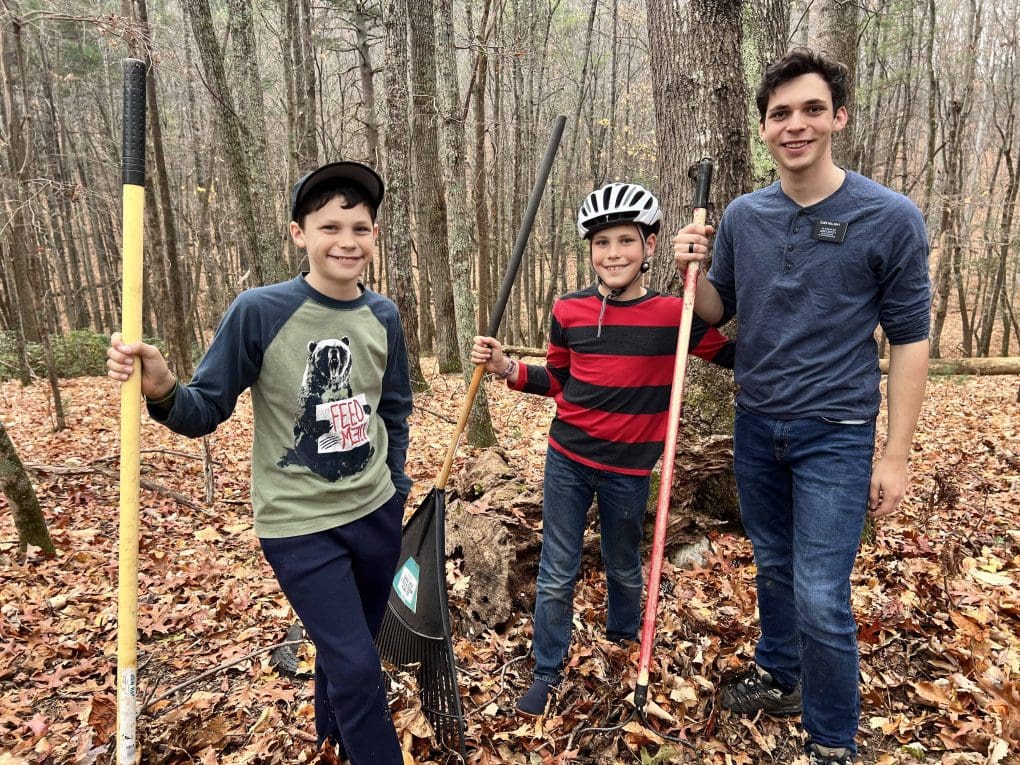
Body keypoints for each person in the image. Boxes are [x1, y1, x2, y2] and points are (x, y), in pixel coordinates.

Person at [672, 49, 930, 765]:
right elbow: (719, 313)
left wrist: (896, 454)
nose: (796, 125)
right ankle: (780, 674)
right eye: (780, 113)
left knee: (822, 591)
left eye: (812, 109)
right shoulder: (745, 218)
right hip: (756, 424)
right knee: (776, 567)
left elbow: (910, 340)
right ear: (762, 128)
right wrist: (689, 272)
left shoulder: (890, 218)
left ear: (839, 117)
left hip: (838, 433)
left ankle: (833, 739)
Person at [107, 161, 413, 765]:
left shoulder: (383, 316)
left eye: (360, 227)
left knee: (344, 649)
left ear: (375, 236)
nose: (347, 241)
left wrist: (396, 482)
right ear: (299, 234)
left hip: (376, 513)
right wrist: (163, 385)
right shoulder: (261, 311)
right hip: (299, 524)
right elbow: (202, 409)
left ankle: (334, 742)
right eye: (330, 227)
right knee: (357, 665)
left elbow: (395, 408)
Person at [470, 181, 735, 717]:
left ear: (650, 246)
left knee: (622, 560)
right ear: (589, 251)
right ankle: (546, 669)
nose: (613, 254)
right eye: (601, 243)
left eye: (625, 241)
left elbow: (733, 356)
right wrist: (505, 368)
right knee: (557, 567)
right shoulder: (568, 309)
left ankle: (620, 636)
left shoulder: (673, 314)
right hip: (567, 458)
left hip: (630, 470)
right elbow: (561, 382)